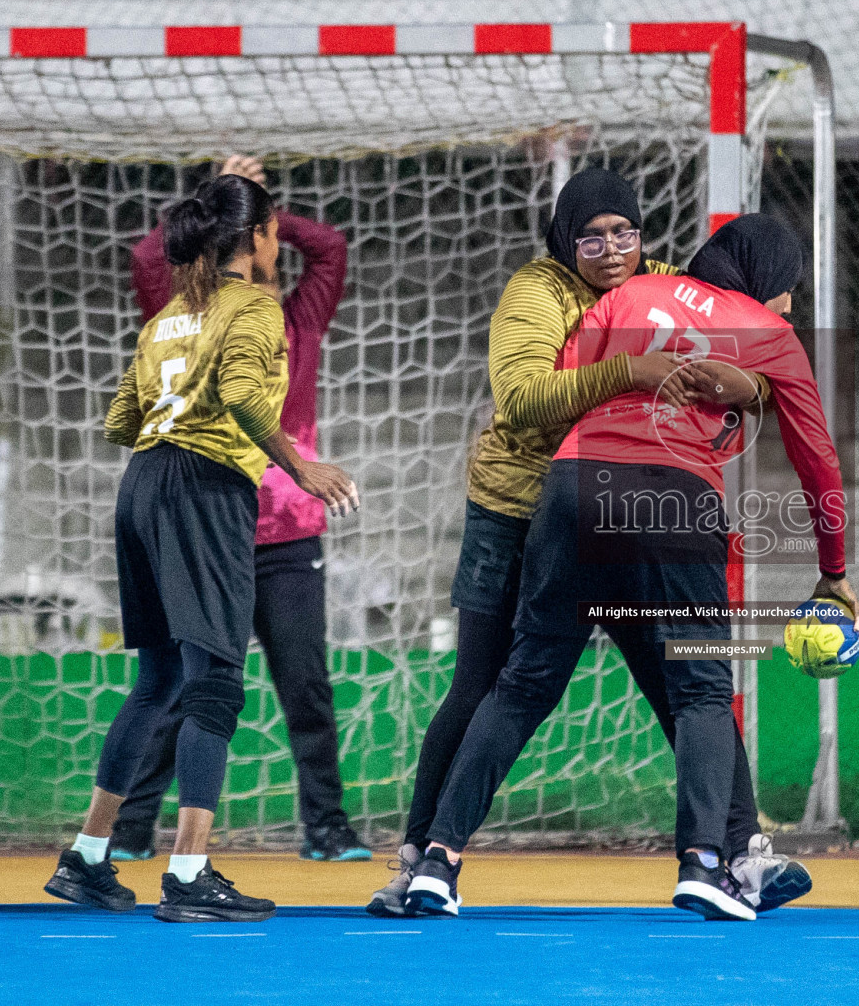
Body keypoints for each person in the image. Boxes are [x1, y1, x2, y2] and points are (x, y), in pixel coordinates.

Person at [368, 170, 811, 917]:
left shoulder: (660, 282)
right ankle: (420, 858)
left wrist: (749, 380)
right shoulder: (536, 295)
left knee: (691, 688)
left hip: (618, 517)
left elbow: (751, 352)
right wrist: (631, 370)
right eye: (593, 236)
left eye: (626, 233)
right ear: (563, 239)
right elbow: (521, 399)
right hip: (517, 515)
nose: (612, 250)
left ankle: (742, 855)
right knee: (487, 685)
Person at [42, 172, 360, 922]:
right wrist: (301, 465)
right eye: (275, 230)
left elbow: (122, 416)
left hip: (141, 483)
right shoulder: (254, 306)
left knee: (158, 680)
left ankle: (88, 857)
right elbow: (248, 396)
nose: (279, 244)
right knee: (215, 680)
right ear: (255, 238)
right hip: (203, 487)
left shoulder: (168, 318)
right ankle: (189, 873)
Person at [111, 155, 369, 864]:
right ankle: (135, 826)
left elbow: (333, 247)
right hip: (201, 521)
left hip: (287, 536)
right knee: (178, 684)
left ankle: (326, 826)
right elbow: (146, 256)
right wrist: (218, 203)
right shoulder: (186, 318)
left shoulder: (298, 323)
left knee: (305, 687)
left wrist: (264, 210)